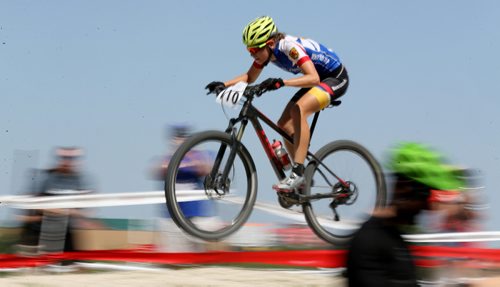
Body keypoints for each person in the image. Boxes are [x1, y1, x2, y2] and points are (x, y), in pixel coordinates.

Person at [205, 16, 349, 192]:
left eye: (255, 49)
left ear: (271, 43)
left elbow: (313, 78)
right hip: (317, 81)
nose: (252, 54)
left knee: (299, 109)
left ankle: (298, 172)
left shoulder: (289, 48)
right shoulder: (266, 53)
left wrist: (282, 82)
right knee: (283, 125)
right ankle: (302, 176)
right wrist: (224, 84)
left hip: (335, 78)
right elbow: (249, 77)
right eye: (249, 50)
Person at [346, 142, 464, 287]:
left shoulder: (393, 238)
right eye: (423, 201)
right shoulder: (371, 240)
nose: (424, 210)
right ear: (404, 189)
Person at [17, 146, 95, 255]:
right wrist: (67, 211)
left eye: (72, 158)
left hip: (64, 230)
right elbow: (33, 206)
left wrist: (82, 215)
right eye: (63, 157)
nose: (67, 161)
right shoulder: (45, 177)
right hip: (39, 230)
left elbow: (87, 209)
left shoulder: (80, 180)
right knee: (33, 265)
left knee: (74, 264)